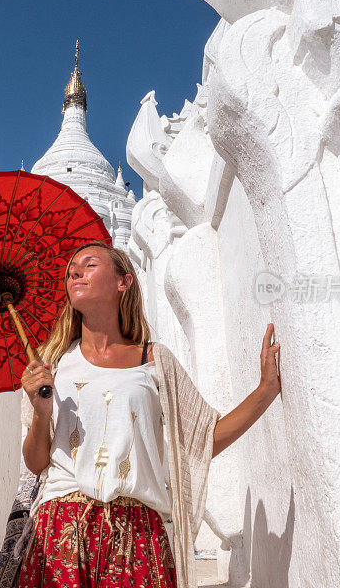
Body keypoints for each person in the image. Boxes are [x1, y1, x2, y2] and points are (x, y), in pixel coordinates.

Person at [17, 240, 281, 588]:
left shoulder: (155, 360)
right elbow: (37, 463)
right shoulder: (53, 363)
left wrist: (265, 390)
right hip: (61, 529)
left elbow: (202, 441)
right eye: (71, 271)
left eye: (90, 265)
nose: (75, 273)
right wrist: (40, 411)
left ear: (123, 282)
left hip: (136, 532)